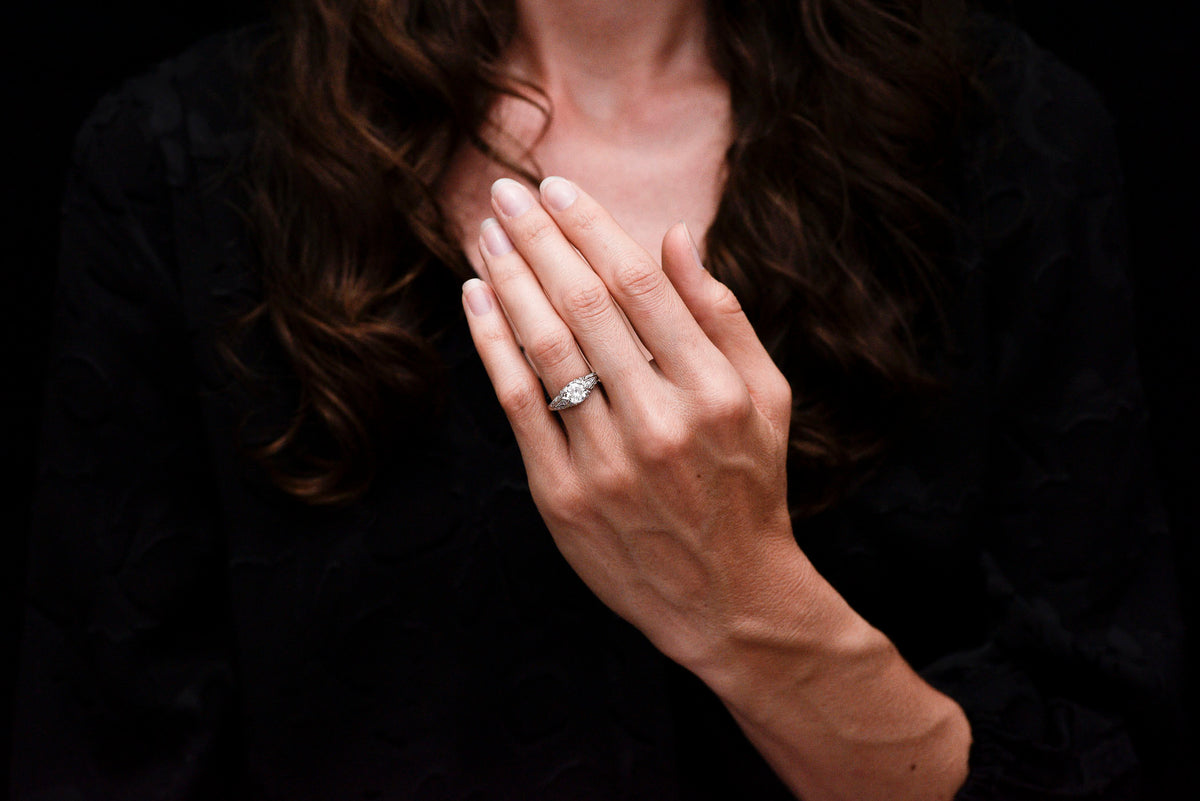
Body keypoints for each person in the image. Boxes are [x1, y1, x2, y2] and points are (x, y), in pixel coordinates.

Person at [12, 1, 1184, 799]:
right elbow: (110, 755)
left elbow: (1100, 753)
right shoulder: (179, 161)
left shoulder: (1004, 132)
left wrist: (741, 602)